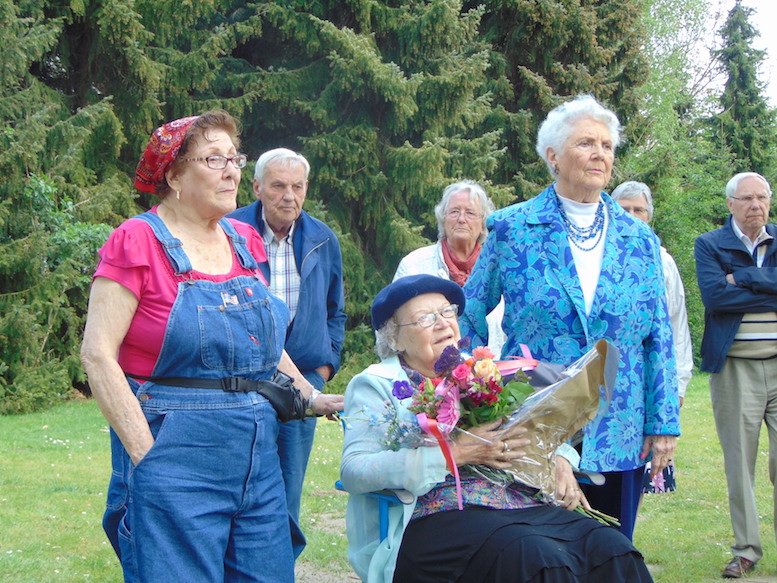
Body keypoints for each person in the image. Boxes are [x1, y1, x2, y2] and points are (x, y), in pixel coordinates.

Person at [80, 112, 331, 582]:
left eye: (233, 158)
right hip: (176, 451)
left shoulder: (245, 240)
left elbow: (263, 342)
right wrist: (147, 457)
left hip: (258, 453)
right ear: (174, 175)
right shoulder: (137, 240)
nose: (232, 170)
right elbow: (97, 353)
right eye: (213, 159)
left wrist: (309, 395)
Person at [460, 95, 680, 541]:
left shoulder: (639, 238)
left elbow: (658, 335)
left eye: (607, 145)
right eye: (586, 143)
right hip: (535, 417)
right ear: (553, 156)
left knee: (612, 549)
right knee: (538, 550)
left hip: (619, 423)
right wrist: (477, 392)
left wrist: (663, 425)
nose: (600, 153)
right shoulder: (512, 227)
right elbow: (468, 313)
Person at [340, 274, 654, 583]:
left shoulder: (482, 370)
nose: (443, 323)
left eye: (447, 311)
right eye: (425, 318)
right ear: (394, 338)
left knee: (612, 549)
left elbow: (531, 425)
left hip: (519, 502)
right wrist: (455, 453)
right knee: (536, 559)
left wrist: (561, 457)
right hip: (435, 515)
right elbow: (355, 470)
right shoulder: (377, 384)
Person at [229, 147, 346, 536]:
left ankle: (281, 566)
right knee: (239, 478)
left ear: (306, 188)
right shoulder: (229, 231)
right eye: (278, 186)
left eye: (297, 187)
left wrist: (325, 367)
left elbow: (336, 311)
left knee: (288, 481)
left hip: (304, 381)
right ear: (258, 187)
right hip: (242, 377)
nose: (288, 196)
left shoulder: (322, 239)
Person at [695, 172, 777, 579]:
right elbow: (715, 297)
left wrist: (742, 277)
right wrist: (768, 287)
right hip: (735, 367)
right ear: (730, 203)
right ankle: (746, 549)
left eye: (761, 198)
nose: (755, 206)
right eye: (746, 199)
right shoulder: (710, 244)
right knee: (739, 463)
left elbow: (731, 291)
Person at [612, 180, 693, 494]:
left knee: (644, 466)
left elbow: (675, 325)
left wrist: (679, 384)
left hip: (652, 379)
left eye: (639, 209)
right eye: (624, 209)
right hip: (613, 377)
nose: (632, 215)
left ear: (649, 216)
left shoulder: (663, 261)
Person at [394, 180, 506, 357]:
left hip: (489, 378)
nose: (461, 219)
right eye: (454, 212)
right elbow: (392, 328)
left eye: (470, 213)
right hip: (428, 377)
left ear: (483, 224)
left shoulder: (501, 270)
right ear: (443, 218)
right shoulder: (414, 265)